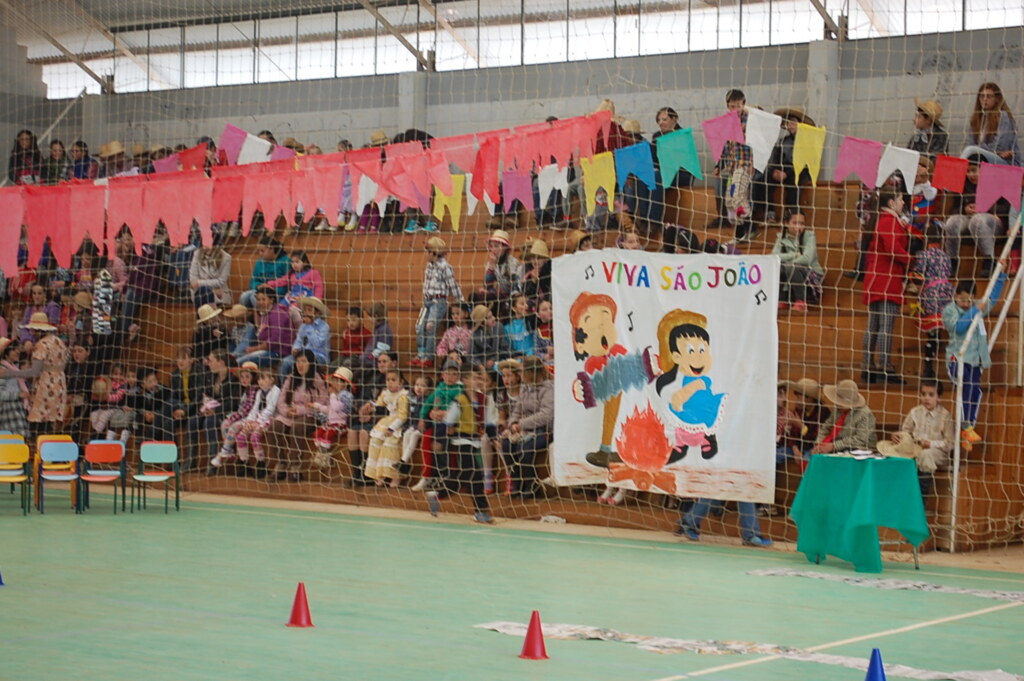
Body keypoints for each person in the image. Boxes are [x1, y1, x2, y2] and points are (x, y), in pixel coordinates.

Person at [942, 270, 1007, 452]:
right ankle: (965, 425)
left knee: (975, 391)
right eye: (963, 300)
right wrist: (974, 311)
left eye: (970, 301)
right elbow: (958, 327)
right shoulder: (950, 310)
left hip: (975, 361)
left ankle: (969, 428)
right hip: (957, 360)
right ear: (956, 296)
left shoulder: (977, 306)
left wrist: (1001, 276)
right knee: (966, 385)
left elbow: (992, 299)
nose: (966, 304)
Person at [427, 363, 497, 524]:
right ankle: (481, 511)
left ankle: (437, 495)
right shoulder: (459, 400)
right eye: (474, 378)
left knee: (463, 477)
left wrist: (495, 439)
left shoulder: (485, 400)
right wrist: (439, 440)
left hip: (476, 442)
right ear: (465, 380)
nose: (478, 381)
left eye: (479, 378)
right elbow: (447, 422)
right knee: (475, 477)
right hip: (461, 442)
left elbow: (490, 423)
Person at [862, 186, 912, 385]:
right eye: (900, 199)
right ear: (891, 202)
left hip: (877, 278)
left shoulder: (881, 220)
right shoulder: (889, 221)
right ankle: (884, 367)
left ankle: (868, 367)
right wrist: (912, 260)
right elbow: (893, 248)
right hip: (887, 279)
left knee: (874, 325)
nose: (903, 202)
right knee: (885, 326)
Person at [0, 312, 68, 438]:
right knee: (51, 422)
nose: (31, 333)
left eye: (33, 330)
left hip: (45, 385)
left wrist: (9, 373)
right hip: (59, 384)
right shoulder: (59, 342)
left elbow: (34, 371)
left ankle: (40, 446)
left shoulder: (41, 345)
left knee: (40, 422)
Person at [941, 155, 1009, 279]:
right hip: (969, 218)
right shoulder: (963, 186)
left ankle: (989, 261)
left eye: (973, 170)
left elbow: (1007, 209)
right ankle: (952, 261)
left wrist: (985, 207)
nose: (970, 175)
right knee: (951, 222)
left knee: (977, 220)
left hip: (993, 221)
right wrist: (965, 209)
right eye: (968, 171)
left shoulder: (997, 183)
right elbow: (954, 210)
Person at [877, 380, 954, 490]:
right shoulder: (915, 412)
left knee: (925, 455)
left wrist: (931, 444)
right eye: (923, 394)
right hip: (914, 448)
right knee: (895, 453)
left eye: (931, 395)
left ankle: (922, 494)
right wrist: (898, 436)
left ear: (939, 397)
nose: (926, 398)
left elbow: (950, 443)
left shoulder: (945, 416)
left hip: (937, 452)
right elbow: (906, 432)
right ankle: (896, 488)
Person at [267, 349, 326, 481]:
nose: (300, 365)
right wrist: (286, 411)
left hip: (310, 415)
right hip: (289, 413)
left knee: (297, 427)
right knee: (273, 427)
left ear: (311, 363)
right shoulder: (291, 378)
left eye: (304, 361)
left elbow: (322, 402)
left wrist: (300, 410)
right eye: (298, 361)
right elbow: (281, 399)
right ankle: (281, 463)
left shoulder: (318, 380)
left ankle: (295, 467)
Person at [500, 356, 553, 499]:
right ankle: (517, 483)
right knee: (506, 444)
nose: (521, 374)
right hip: (524, 429)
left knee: (524, 448)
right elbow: (518, 408)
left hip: (544, 430)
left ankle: (532, 485)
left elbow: (546, 415)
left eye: (523, 371)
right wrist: (512, 423)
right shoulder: (524, 387)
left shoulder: (548, 388)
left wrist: (521, 424)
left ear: (531, 373)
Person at [910, 223, 955, 379]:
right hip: (946, 293)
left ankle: (928, 366)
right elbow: (950, 272)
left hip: (931, 294)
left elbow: (917, 276)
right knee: (944, 331)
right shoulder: (946, 256)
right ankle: (951, 365)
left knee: (932, 333)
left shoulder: (923, 255)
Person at [217, 369, 279, 479]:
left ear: (272, 379)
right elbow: (254, 409)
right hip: (256, 419)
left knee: (254, 437)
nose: (260, 381)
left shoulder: (276, 391)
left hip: (269, 419)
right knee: (240, 437)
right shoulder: (259, 392)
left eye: (263, 378)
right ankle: (244, 463)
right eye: (259, 379)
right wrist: (249, 421)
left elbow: (270, 409)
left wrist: (257, 422)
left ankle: (261, 463)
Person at [412, 236, 463, 368]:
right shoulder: (429, 265)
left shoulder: (445, 267)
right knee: (419, 326)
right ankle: (421, 353)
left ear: (433, 252)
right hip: (427, 300)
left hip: (438, 301)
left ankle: (428, 357)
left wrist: (460, 301)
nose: (425, 254)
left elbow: (452, 285)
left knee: (430, 327)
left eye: (427, 251)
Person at [764, 107, 816, 219]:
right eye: (788, 123)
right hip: (783, 170)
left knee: (794, 182)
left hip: (800, 171)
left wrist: (787, 173)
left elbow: (804, 163)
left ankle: (791, 212)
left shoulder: (808, 142)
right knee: (765, 179)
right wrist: (775, 171)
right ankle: (770, 212)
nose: (790, 125)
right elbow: (776, 158)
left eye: (793, 122)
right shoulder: (783, 141)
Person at [364, 368, 409, 487]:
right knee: (376, 440)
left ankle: (395, 476)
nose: (390, 383)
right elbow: (379, 405)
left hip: (398, 423)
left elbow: (403, 415)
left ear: (401, 382)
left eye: (393, 380)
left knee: (390, 443)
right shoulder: (385, 393)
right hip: (386, 421)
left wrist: (392, 428)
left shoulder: (403, 395)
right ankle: (379, 474)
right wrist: (371, 406)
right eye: (388, 380)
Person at [772, 209, 823, 312]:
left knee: (791, 267)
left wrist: (788, 262)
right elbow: (774, 257)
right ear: (786, 223)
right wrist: (793, 255)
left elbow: (807, 259)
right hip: (789, 274)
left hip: (810, 276)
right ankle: (782, 299)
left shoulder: (809, 236)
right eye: (795, 223)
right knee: (779, 268)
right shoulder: (781, 238)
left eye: (802, 223)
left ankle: (801, 301)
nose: (798, 227)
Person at [811, 379, 878, 454]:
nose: (836, 404)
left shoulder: (865, 414)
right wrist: (819, 444)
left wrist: (834, 446)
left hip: (860, 450)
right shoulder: (837, 410)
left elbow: (860, 439)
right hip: (836, 448)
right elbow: (826, 428)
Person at [961, 82, 1021, 166]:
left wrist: (978, 148)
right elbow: (970, 143)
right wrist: (981, 149)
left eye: (989, 96)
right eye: (982, 96)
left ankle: (955, 173)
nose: (985, 99)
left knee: (970, 150)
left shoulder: (1003, 116)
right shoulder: (976, 119)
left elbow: (1000, 146)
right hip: (986, 157)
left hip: (1007, 162)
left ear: (997, 99)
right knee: (970, 152)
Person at [236, 286, 295, 368]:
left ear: (271, 300)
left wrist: (255, 349)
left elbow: (274, 341)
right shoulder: (265, 313)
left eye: (263, 299)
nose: (260, 302)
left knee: (238, 362)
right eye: (258, 300)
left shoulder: (277, 314)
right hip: (266, 349)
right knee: (238, 357)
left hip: (277, 352)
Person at [265, 250, 325, 324]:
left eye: (297, 262)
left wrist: (317, 299)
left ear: (305, 262)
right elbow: (281, 281)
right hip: (292, 295)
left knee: (293, 309)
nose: (294, 264)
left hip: (305, 297)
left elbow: (319, 286)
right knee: (280, 307)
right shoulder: (291, 275)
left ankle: (300, 325)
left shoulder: (313, 272)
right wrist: (269, 284)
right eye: (292, 262)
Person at [311, 366, 354, 469]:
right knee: (317, 433)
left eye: (337, 381)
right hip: (331, 423)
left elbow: (336, 407)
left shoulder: (345, 395)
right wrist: (317, 406)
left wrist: (333, 395)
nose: (334, 383)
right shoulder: (335, 395)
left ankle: (323, 458)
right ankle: (323, 456)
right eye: (334, 381)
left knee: (328, 434)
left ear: (345, 383)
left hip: (340, 425)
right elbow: (330, 409)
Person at [279, 297, 331, 379]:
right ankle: (284, 385)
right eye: (305, 310)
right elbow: (298, 341)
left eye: (309, 310)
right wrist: (295, 349)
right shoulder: (303, 326)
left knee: (305, 363)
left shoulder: (324, 326)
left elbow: (317, 343)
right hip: (302, 354)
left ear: (318, 313)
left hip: (319, 356)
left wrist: (309, 326)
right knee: (285, 362)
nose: (306, 313)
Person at [785, 378, 831, 463]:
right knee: (777, 453)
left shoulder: (823, 412)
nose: (796, 400)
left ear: (810, 398)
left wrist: (801, 426)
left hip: (814, 448)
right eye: (797, 396)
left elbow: (817, 438)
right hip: (798, 447)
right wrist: (795, 450)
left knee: (806, 461)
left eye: (799, 396)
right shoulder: (799, 410)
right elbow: (792, 434)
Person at [239, 236, 291, 309]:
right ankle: (249, 316)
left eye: (262, 251)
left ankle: (263, 316)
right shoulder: (259, 262)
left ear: (271, 249)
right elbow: (253, 280)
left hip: (277, 293)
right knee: (244, 296)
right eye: (259, 251)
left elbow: (288, 282)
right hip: (260, 291)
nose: (260, 254)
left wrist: (270, 289)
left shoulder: (285, 261)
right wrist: (259, 286)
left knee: (255, 298)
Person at [403, 374, 434, 491]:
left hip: (426, 428)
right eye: (417, 385)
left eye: (423, 386)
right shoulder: (415, 399)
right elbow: (412, 416)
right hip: (415, 426)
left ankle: (404, 461)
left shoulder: (428, 400)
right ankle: (404, 461)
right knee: (407, 433)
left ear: (429, 389)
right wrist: (409, 427)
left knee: (414, 435)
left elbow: (427, 419)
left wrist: (417, 427)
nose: (419, 388)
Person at [189, 238, 233, 309]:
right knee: (203, 292)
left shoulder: (226, 258)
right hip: (200, 292)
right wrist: (211, 291)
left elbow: (221, 281)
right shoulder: (197, 254)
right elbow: (193, 280)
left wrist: (199, 283)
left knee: (205, 293)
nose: (205, 247)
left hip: (219, 294)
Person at [0, 338, 30, 439]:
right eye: (13, 349)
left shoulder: (14, 368)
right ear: (6, 353)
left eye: (17, 349)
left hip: (16, 406)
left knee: (19, 438)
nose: (17, 351)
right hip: (8, 408)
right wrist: (18, 395)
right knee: (15, 438)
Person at [468, 304, 510, 371]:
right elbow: (471, 356)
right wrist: (480, 365)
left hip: (498, 360)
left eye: (492, 315)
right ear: (481, 323)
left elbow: (505, 349)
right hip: (482, 365)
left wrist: (493, 360)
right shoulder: (474, 335)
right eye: (489, 318)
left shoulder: (499, 327)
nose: (494, 318)